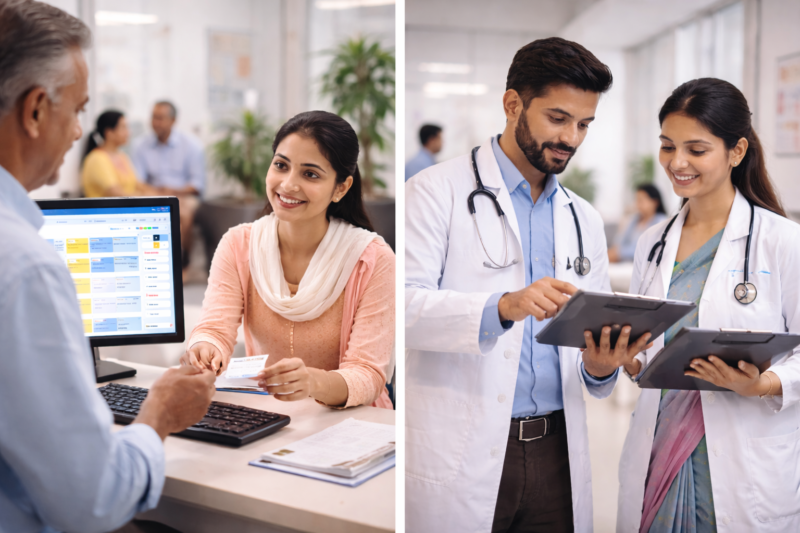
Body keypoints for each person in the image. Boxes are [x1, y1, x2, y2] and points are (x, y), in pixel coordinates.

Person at [406, 37, 651, 533]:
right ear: (512, 104)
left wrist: (601, 366)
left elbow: (590, 357)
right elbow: (403, 308)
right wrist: (503, 306)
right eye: (558, 118)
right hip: (465, 446)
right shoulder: (436, 192)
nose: (572, 138)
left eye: (584, 124)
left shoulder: (583, 217)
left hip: (556, 451)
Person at [0, 2, 216, 533]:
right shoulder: (25, 265)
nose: (78, 131)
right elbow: (91, 503)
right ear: (33, 111)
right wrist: (158, 413)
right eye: (76, 111)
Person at [616, 78, 800, 532]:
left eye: (696, 150)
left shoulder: (782, 242)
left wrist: (766, 385)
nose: (676, 163)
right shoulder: (652, 243)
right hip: (661, 449)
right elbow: (646, 349)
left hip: (743, 457)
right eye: (667, 146)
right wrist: (627, 360)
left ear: (736, 152)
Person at [181, 111, 395, 409]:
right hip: (268, 411)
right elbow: (215, 328)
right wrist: (206, 348)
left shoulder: (372, 260)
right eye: (281, 165)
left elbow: (369, 374)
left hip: (351, 423)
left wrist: (313, 383)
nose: (288, 184)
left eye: (310, 174)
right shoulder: (238, 244)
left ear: (341, 188)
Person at [132, 101, 205, 272]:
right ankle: (152, 264)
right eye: (153, 117)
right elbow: (138, 181)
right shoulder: (140, 145)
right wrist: (156, 193)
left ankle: (182, 264)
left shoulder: (192, 145)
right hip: (151, 193)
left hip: (183, 194)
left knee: (184, 214)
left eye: (160, 118)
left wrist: (172, 191)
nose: (155, 122)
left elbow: (197, 185)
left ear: (173, 121)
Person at [81, 110, 156, 197]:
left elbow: (137, 185)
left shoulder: (122, 156)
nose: (128, 133)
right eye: (123, 127)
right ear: (109, 133)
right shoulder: (96, 159)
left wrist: (159, 194)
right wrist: (148, 197)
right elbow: (116, 194)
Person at [608, 184, 667, 263]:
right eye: (637, 200)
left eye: (641, 200)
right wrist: (615, 251)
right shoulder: (635, 219)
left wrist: (620, 253)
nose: (637, 204)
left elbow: (648, 249)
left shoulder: (661, 222)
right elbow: (619, 241)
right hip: (624, 263)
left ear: (655, 202)